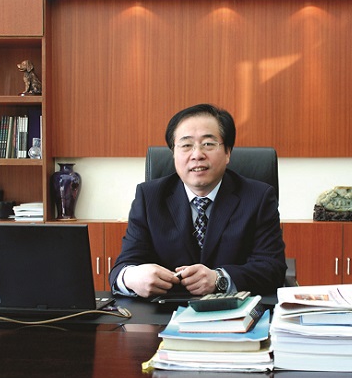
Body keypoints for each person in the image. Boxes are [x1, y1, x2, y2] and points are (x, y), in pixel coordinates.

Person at [110, 104, 287, 298]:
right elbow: (123, 266)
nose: (197, 155)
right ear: (174, 153)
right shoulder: (149, 197)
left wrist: (220, 279)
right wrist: (132, 277)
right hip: (163, 310)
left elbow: (272, 268)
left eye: (208, 144)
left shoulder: (258, 197)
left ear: (227, 152)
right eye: (186, 145)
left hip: (233, 309)